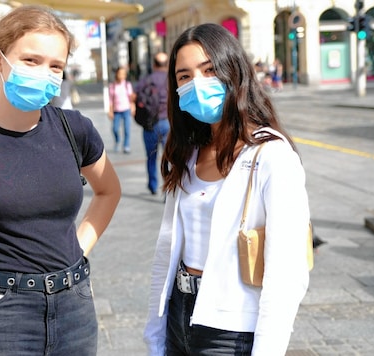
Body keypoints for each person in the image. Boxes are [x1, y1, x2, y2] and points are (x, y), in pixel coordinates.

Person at [0, 6, 121, 356]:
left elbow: (108, 190)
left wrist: (78, 247)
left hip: (74, 306)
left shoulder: (74, 129)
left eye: (55, 65)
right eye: (31, 60)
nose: (44, 73)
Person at [144, 23, 310, 355]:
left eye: (209, 70)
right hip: (180, 311)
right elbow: (169, 246)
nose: (197, 84)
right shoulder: (189, 152)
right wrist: (156, 329)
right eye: (184, 76)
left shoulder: (271, 156)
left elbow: (287, 271)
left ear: (233, 72)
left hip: (230, 329)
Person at [135, 52, 169, 195]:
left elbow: (135, 96)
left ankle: (153, 185)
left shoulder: (146, 80)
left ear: (154, 64)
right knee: (168, 158)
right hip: (168, 123)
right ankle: (168, 187)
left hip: (150, 124)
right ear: (167, 65)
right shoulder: (171, 79)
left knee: (151, 157)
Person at [108, 66, 134, 153]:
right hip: (116, 111)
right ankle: (117, 140)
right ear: (117, 74)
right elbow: (111, 100)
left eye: (124, 74)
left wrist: (133, 107)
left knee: (127, 129)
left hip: (126, 110)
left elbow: (131, 98)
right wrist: (110, 111)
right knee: (115, 129)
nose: (122, 75)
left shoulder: (127, 85)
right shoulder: (112, 86)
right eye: (120, 73)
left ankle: (126, 145)